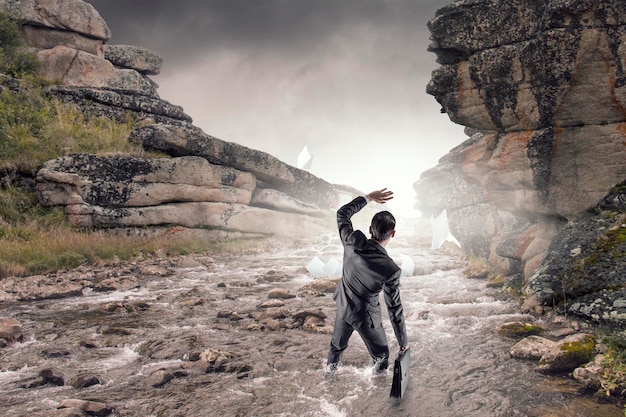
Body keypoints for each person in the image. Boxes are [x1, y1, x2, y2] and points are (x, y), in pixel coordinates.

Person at [326, 188, 409, 374]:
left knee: (336, 347)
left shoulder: (351, 240)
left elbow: (342, 213)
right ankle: (376, 390)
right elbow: (394, 309)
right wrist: (403, 343)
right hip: (366, 318)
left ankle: (329, 377)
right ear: (393, 234)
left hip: (343, 307)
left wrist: (369, 198)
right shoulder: (391, 269)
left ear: (370, 230)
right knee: (381, 358)